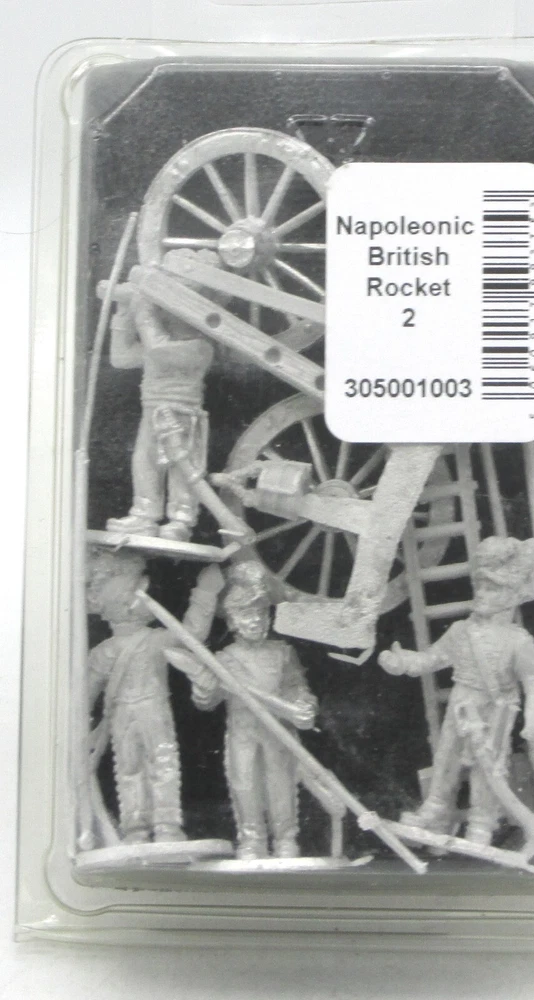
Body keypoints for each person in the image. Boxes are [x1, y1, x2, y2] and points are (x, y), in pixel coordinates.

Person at [379, 536, 534, 847]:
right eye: (480, 586)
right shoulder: (461, 632)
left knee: (489, 768)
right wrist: (402, 662)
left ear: (512, 595)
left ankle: (482, 822)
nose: (481, 593)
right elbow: (432, 658)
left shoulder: (519, 641)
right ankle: (435, 806)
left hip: (496, 710)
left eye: (492, 588)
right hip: (461, 704)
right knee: (446, 756)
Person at [87, 551, 224, 843]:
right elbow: (85, 696)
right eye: (137, 592)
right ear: (122, 605)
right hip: (123, 714)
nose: (146, 597)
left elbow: (192, 635)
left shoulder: (155, 639)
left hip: (154, 709)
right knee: (129, 767)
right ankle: (135, 827)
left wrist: (206, 592)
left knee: (162, 763)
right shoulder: (104, 652)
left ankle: (166, 824)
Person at [190, 564, 318, 861]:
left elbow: (296, 687)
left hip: (278, 732)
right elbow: (207, 701)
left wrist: (304, 705)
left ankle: (286, 839)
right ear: (232, 620)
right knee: (244, 784)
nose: (256, 620)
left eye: (261, 613)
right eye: (247, 614)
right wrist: (203, 691)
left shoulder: (282, 652)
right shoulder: (224, 659)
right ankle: (252, 839)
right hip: (243, 733)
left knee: (280, 784)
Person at [105, 249, 219, 542]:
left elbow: (158, 350)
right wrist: (122, 310)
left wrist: (141, 305)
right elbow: (121, 357)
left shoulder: (200, 347)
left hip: (183, 414)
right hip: (152, 411)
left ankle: (181, 520)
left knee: (183, 468)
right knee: (144, 461)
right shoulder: (161, 339)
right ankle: (144, 515)